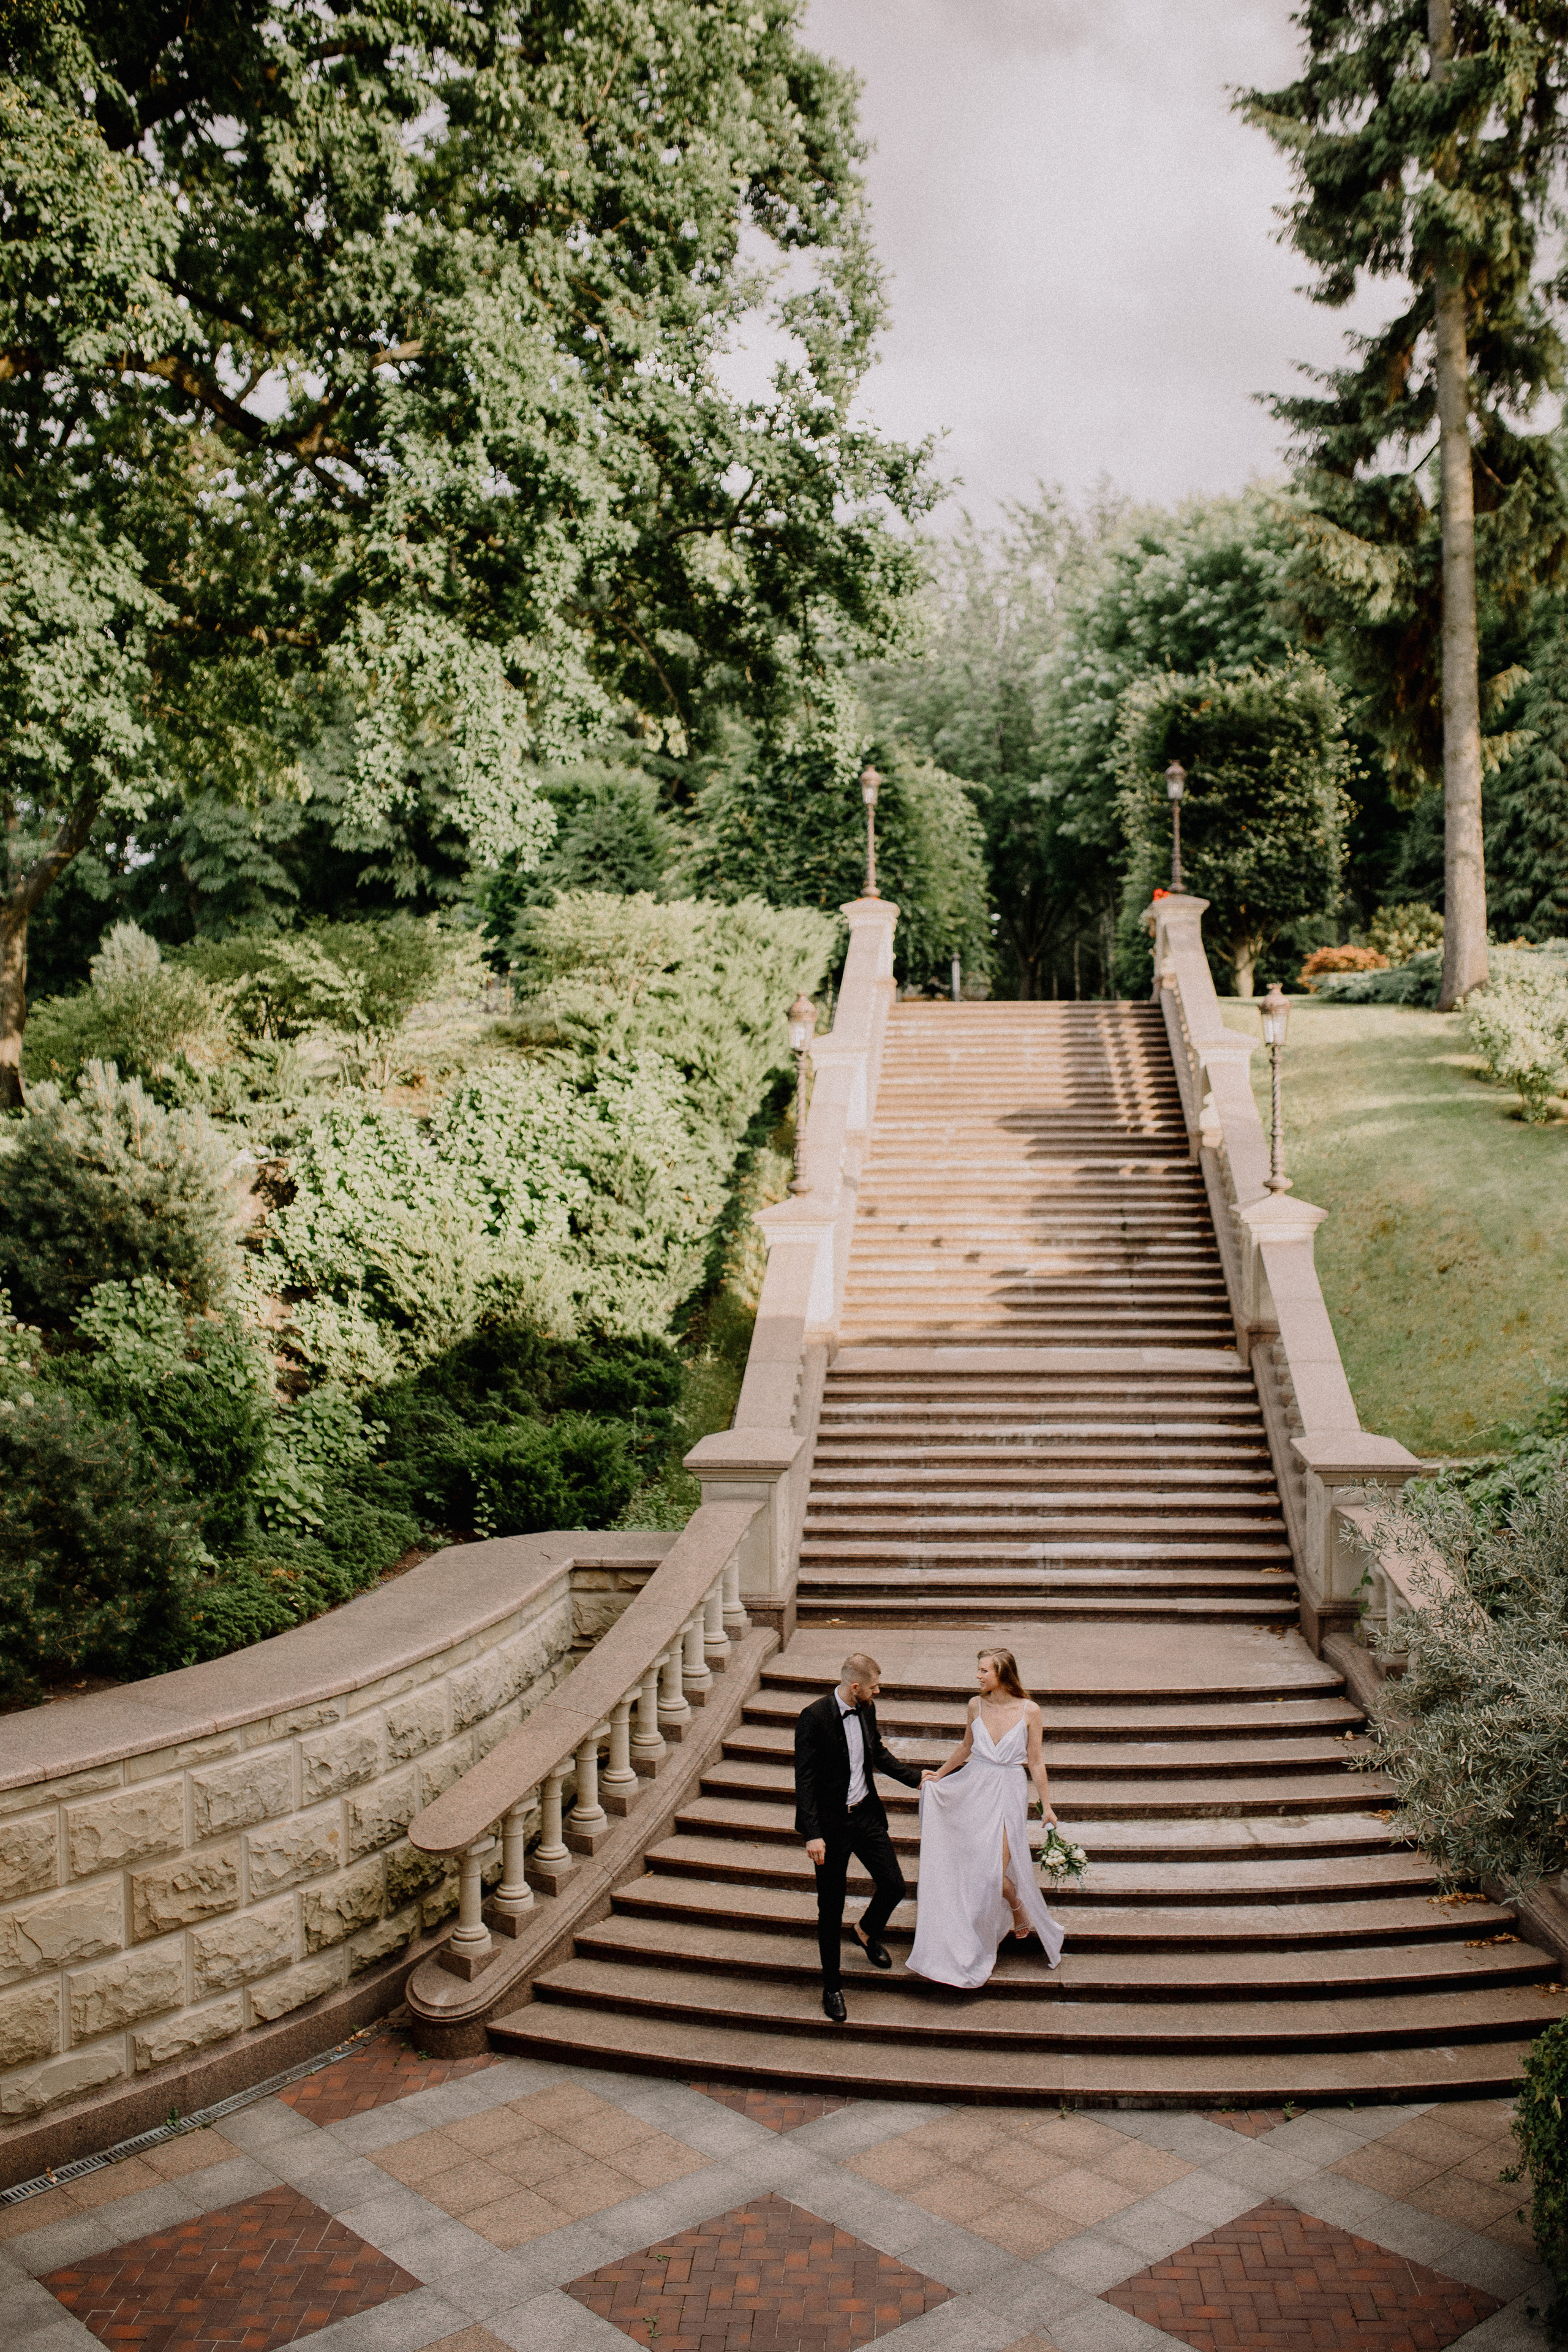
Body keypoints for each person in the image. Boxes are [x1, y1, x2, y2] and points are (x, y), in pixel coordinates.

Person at [907, 1646, 1065, 1989]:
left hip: (1008, 1790)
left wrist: (1047, 1806)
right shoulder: (975, 1705)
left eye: (983, 1671)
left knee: (992, 1871)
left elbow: (1036, 1761)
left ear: (1002, 1674)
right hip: (972, 1787)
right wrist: (940, 1775)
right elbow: (966, 1747)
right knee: (973, 1869)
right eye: (978, 1670)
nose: (977, 1676)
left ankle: (1012, 1912)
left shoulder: (1030, 1710)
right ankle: (988, 1929)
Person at [794, 1650, 924, 2021]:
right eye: (873, 1687)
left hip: (866, 1816)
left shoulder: (866, 1709)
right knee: (830, 1908)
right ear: (855, 1687)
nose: (877, 1692)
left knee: (894, 1885)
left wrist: (918, 1779)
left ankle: (866, 1931)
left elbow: (877, 1752)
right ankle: (832, 1987)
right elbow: (804, 1780)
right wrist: (812, 1834)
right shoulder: (814, 1717)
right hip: (831, 1829)